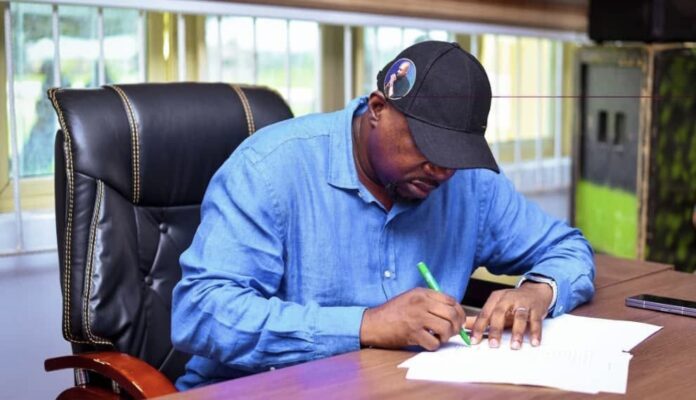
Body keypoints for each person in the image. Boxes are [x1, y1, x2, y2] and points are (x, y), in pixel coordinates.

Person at [171, 41, 595, 390]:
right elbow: (201, 312)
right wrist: (366, 325)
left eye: (455, 155)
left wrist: (539, 291)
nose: (442, 171)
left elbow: (568, 248)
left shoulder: (469, 184)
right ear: (377, 108)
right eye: (429, 148)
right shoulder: (269, 170)